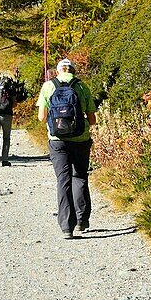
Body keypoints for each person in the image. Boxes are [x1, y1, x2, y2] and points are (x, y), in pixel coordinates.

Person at [37, 57, 97, 239]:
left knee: (63, 180)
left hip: (57, 140)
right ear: (73, 70)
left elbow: (41, 117)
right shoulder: (82, 86)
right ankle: (81, 221)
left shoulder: (48, 86)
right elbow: (92, 119)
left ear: (58, 71)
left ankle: (66, 226)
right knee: (79, 176)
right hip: (81, 139)